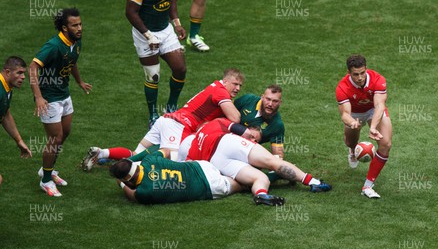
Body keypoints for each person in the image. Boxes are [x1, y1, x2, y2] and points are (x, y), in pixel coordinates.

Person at [81, 68, 244, 169]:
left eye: (240, 86)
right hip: (178, 125)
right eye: (235, 84)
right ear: (226, 81)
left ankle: (101, 153)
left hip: (166, 120)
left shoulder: (214, 86)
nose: (237, 88)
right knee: (174, 160)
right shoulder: (221, 91)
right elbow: (235, 118)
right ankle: (126, 169)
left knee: (137, 152)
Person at [178, 118, 332, 204]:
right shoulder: (215, 122)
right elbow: (244, 132)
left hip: (216, 162)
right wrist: (251, 145)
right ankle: (314, 183)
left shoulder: (192, 148)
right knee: (272, 161)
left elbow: (193, 169)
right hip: (225, 143)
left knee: (260, 177)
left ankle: (261, 194)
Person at [29, 8, 92, 197]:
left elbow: (71, 62)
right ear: (65, 28)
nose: (79, 28)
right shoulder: (54, 46)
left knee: (64, 134)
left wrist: (79, 81)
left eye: (80, 24)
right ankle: (46, 180)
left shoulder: (75, 41)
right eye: (75, 25)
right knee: (54, 139)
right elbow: (32, 69)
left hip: (64, 94)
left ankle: (47, 170)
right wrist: (39, 97)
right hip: (49, 98)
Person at [126, 0, 186, 126]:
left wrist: (177, 23)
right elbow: (130, 12)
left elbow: (171, 0)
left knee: (180, 68)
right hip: (144, 33)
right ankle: (152, 114)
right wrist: (148, 35)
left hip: (165, 30)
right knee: (153, 76)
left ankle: (171, 107)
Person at [336, 54, 392, 199]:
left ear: (366, 69)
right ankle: (352, 149)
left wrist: (373, 127)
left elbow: (380, 105)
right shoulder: (342, 87)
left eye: (362, 73)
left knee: (385, 143)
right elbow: (345, 114)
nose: (360, 77)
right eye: (356, 74)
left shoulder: (378, 79)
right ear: (349, 73)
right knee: (350, 141)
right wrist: (352, 122)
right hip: (354, 113)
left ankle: (368, 185)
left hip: (373, 110)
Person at [109, 148, 243, 204]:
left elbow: (132, 195)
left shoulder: (144, 191)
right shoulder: (149, 160)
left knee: (242, 184)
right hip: (201, 165)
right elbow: (166, 151)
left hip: (209, 186)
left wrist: (121, 184)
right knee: (236, 169)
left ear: (127, 180)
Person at [1, 57, 33, 184]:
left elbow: (5, 114)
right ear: (8, 72)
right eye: (19, 73)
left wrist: (18, 140)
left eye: (24, 73)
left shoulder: (7, 88)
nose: (23, 77)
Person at [235, 85, 285, 158]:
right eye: (268, 99)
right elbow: (226, 112)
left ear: (280, 102)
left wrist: (278, 165)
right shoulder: (248, 99)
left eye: (275, 101)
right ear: (262, 97)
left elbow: (278, 154)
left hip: (247, 151)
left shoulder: (277, 125)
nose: (270, 104)